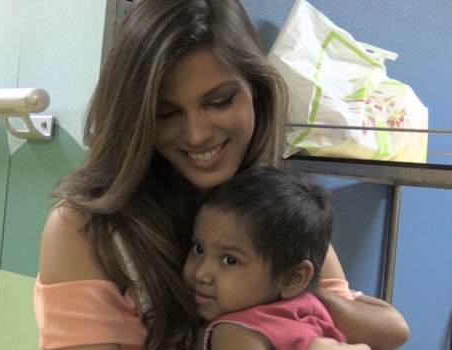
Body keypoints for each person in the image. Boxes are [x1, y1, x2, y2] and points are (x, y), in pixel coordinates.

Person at [34, 0, 410, 350]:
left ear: (257, 94)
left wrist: (294, 291)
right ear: (136, 118)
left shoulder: (278, 215)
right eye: (167, 113)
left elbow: (381, 328)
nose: (197, 134)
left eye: (219, 102)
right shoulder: (84, 231)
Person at [184, 166, 360, 350]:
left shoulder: (234, 332)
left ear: (292, 278)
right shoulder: (310, 310)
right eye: (198, 249)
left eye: (230, 260)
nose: (201, 273)